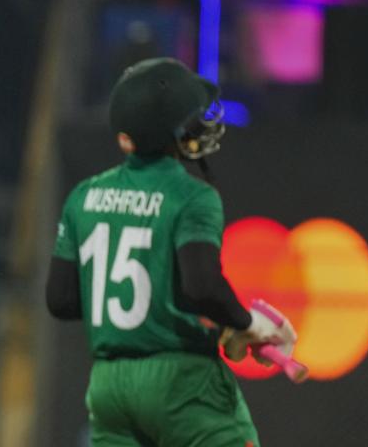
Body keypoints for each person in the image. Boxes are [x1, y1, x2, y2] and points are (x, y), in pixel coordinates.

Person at [45, 57, 296, 446]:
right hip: (182, 385)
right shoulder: (191, 196)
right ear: (173, 132)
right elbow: (203, 287)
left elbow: (60, 301)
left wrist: (146, 314)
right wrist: (246, 323)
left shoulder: (84, 196)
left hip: (110, 386)